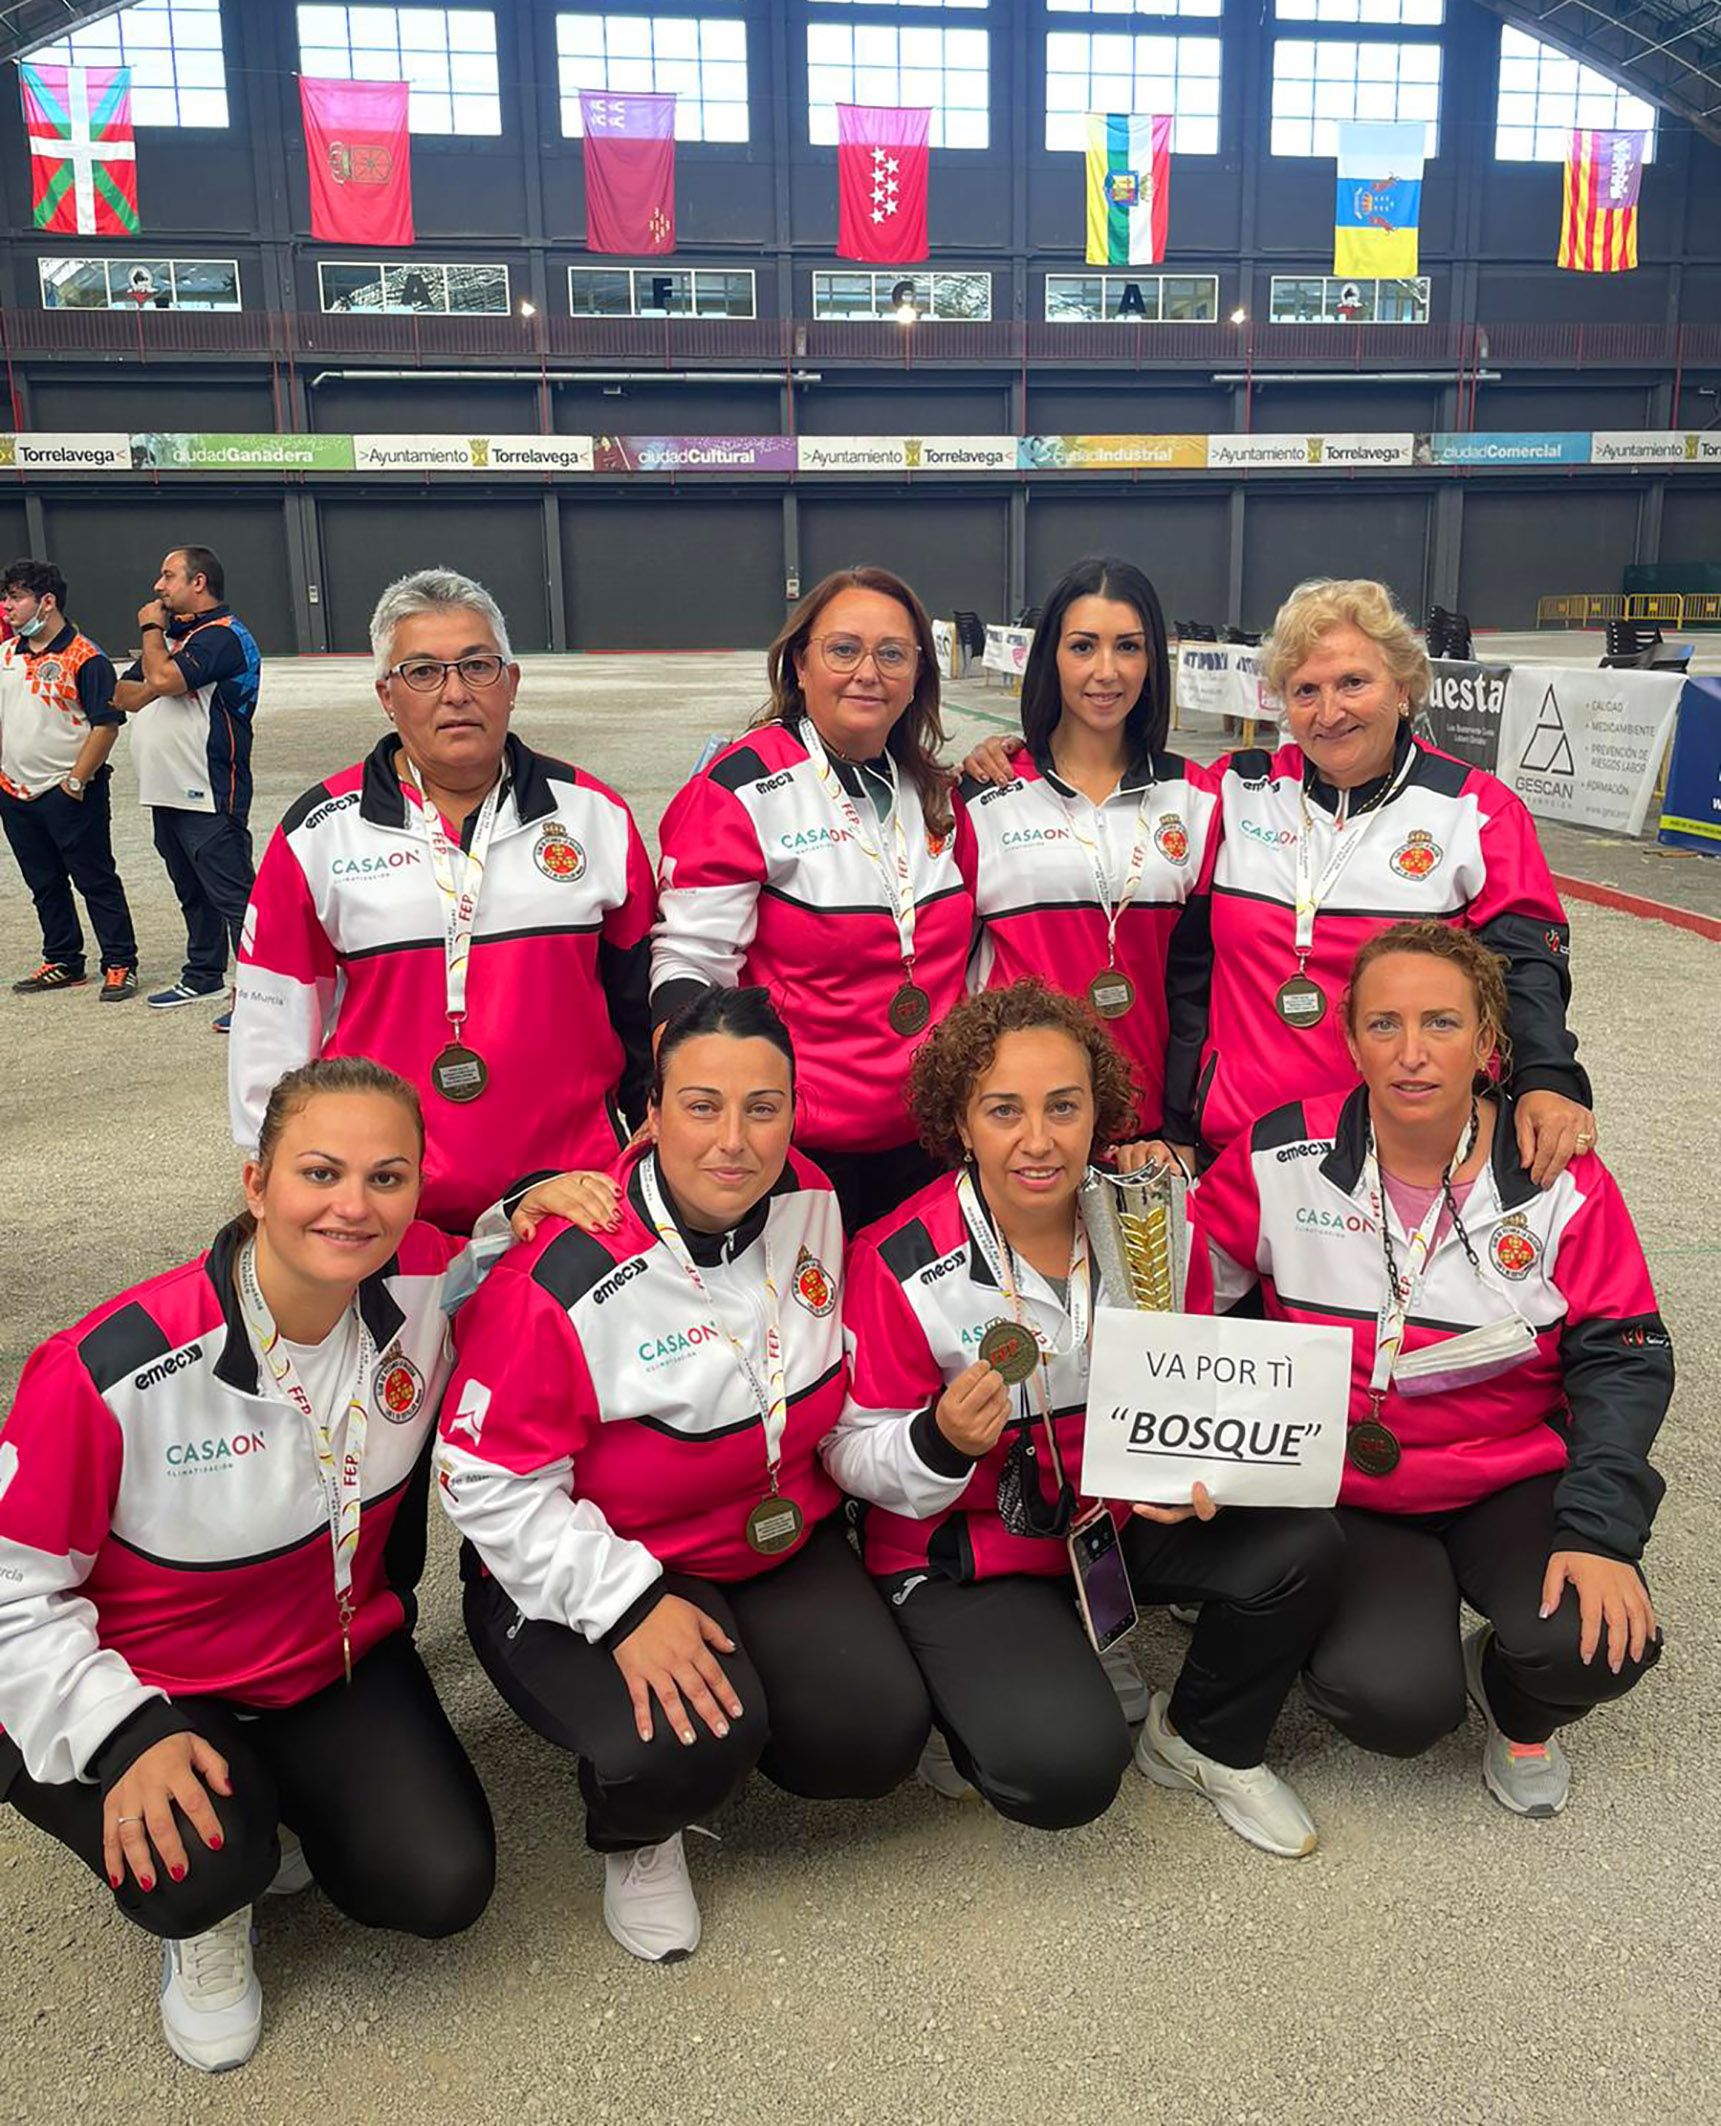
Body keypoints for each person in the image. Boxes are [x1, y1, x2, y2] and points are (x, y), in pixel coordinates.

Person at [0, 1057, 595, 2072]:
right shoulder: (109, 1367)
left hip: (329, 1666)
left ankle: (270, 1799)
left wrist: (528, 1199)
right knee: (204, 1865)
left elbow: (493, 1250)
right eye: (320, 1173)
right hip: (155, 1685)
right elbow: (12, 1590)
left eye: (387, 1177)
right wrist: (122, 1728)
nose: (353, 1206)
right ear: (255, 1182)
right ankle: (207, 1917)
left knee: (436, 1885)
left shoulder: (423, 1289)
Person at [438, 988, 932, 1963]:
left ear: (795, 1108)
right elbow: (483, 1481)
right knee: (685, 1739)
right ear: (650, 1113)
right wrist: (624, 1606)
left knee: (873, 1736)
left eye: (764, 1106)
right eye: (701, 1105)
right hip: (596, 1560)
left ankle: (732, 1719)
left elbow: (824, 1390)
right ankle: (638, 1827)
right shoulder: (566, 1265)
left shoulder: (813, 1199)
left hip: (763, 1533)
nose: (735, 1140)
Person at [829, 981, 1340, 1854]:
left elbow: (1195, 1387)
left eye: (1064, 1107)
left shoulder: (1149, 1221)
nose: (1038, 1140)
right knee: (1062, 1773)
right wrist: (937, 1439)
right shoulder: (896, 1259)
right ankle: (974, 1696)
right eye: (1003, 1111)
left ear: (1098, 1112)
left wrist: (1206, 1469)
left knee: (1307, 1543)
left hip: (1114, 1515)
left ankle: (1202, 1739)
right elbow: (846, 1452)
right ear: (959, 1123)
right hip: (972, 1552)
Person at [1189, 921, 1669, 1817]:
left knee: (1594, 1645)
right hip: (1351, 1489)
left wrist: (1601, 1533)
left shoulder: (1556, 1175)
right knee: (1393, 1704)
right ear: (1349, 1039)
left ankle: (1514, 1700)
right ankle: (1409, 1641)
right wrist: (1198, 1452)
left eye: (1441, 1025)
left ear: (1490, 1044)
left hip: (1504, 1474)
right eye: (1384, 1026)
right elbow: (1185, 1305)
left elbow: (1623, 1358)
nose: (1411, 1055)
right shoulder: (1275, 1155)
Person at [963, 578, 1594, 1186]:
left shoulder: (1476, 810)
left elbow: (1528, 965)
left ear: (1403, 686)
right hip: (1237, 1149)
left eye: (1353, 683)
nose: (1329, 712)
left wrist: (1547, 1076)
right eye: (1305, 690)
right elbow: (1182, 956)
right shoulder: (1238, 790)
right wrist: (1013, 758)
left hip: (1395, 1146)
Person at [229, 566, 655, 1236]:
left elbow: (639, 1007)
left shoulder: (594, 818)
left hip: (576, 1191)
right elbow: (271, 1030)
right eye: (423, 672)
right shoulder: (318, 832)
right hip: (384, 1199)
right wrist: (278, 1177)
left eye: (477, 666)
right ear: (386, 696)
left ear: (511, 684)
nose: (454, 692)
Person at [651, 566, 975, 1232]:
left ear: (918, 673)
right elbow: (688, 965)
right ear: (799, 663)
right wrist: (683, 1114)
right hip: (803, 1148)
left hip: (934, 1139)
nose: (868, 672)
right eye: (843, 649)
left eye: (892, 654)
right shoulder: (741, 786)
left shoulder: (937, 793)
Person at [953, 556, 1216, 1168]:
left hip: (1141, 1135)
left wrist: (1179, 1124)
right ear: (1051, 658)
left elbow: (1194, 985)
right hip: (1016, 1129)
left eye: (1128, 646)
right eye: (1082, 647)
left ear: (1152, 662)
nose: (1106, 671)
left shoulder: (1198, 797)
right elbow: (952, 976)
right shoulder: (980, 796)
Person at [110, 545, 261, 1031]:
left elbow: (158, 678)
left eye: (168, 576)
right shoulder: (177, 639)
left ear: (198, 583)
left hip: (209, 787)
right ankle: (203, 973)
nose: (158, 586)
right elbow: (125, 695)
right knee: (191, 891)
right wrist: (165, 673)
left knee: (236, 895)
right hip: (166, 788)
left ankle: (263, 995)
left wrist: (153, 638)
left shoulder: (223, 637)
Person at [0, 557, 140, 1000]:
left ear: (47, 601)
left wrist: (76, 782)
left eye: (16, 597)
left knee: (95, 878)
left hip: (69, 790)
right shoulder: (6, 655)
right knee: (43, 882)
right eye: (5, 598)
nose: (7, 607)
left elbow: (106, 725)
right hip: (15, 791)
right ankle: (63, 958)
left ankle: (120, 961)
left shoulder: (86, 656)